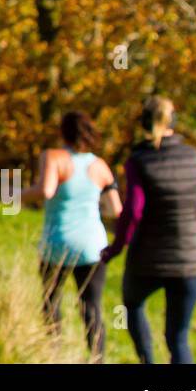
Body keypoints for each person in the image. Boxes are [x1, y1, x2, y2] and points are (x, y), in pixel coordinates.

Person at [101, 96, 196, 364]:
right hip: (189, 261)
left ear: (144, 123)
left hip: (146, 260)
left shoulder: (139, 160)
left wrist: (115, 248)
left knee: (133, 304)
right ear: (173, 121)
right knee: (179, 337)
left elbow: (134, 209)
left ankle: (147, 360)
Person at [22, 111, 121, 362]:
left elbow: (45, 190)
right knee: (91, 307)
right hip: (93, 245)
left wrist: (14, 194)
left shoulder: (54, 157)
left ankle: (53, 354)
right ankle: (97, 358)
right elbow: (115, 209)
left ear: (62, 132)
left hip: (57, 244)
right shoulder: (100, 166)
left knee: (51, 301)